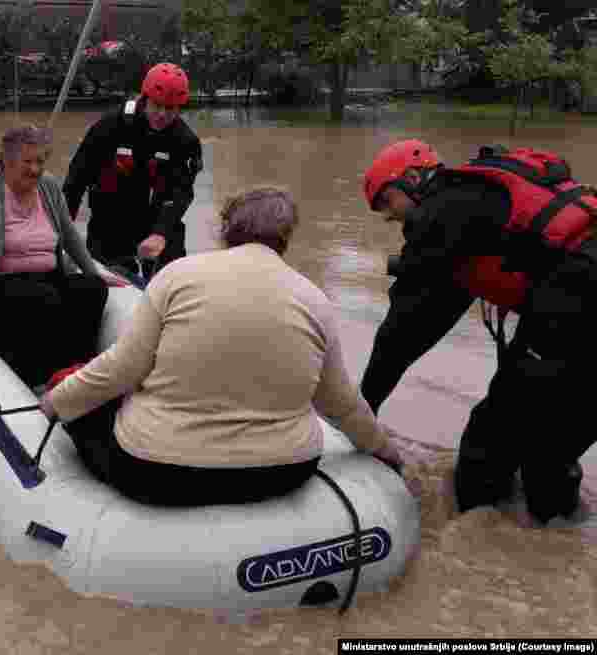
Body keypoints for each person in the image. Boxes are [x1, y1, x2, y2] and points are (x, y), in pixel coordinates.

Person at [39, 186, 408, 507]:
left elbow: (121, 370)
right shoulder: (313, 299)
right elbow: (340, 402)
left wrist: (57, 401)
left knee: (84, 409)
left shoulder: (177, 276)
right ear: (285, 237)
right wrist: (384, 450)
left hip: (157, 471)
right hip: (283, 472)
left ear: (226, 229)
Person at [360, 139, 597, 525]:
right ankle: (561, 549)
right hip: (573, 312)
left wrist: (362, 411)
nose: (389, 217)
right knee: (551, 454)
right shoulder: (481, 193)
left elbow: (405, 332)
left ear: (414, 177)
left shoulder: (441, 214)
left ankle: (478, 549)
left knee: (486, 449)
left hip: (576, 310)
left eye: (387, 201)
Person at [0, 125, 125, 388]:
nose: (35, 169)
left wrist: (93, 271)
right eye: (27, 162)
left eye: (40, 161)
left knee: (92, 289)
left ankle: (79, 369)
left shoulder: (49, 187)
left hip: (46, 278)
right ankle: (37, 377)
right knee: (42, 298)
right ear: (7, 162)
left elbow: (69, 235)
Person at [62, 63, 203, 279]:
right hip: (109, 221)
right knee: (103, 282)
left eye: (171, 108)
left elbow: (181, 193)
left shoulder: (185, 141)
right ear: (144, 98)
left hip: (158, 221)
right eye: (157, 106)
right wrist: (64, 225)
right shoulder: (111, 125)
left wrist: (160, 234)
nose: (163, 114)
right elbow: (77, 177)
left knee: (173, 277)